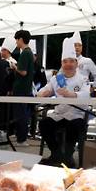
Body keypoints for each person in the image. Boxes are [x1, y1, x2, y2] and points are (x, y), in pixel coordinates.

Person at [38, 38, 90, 167]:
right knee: (44, 124)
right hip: (59, 114)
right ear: (62, 64)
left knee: (75, 127)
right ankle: (56, 154)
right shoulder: (56, 79)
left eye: (71, 61)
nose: (68, 64)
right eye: (65, 62)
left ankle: (68, 156)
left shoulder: (83, 79)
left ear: (76, 63)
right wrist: (42, 93)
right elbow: (45, 90)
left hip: (76, 114)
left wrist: (72, 94)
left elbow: (86, 95)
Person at [11, 30, 35, 146]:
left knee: (20, 114)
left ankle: (21, 139)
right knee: (23, 114)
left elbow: (23, 72)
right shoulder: (29, 52)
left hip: (21, 88)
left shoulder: (25, 53)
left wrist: (14, 67)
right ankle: (22, 137)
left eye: (16, 39)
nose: (16, 42)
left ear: (20, 39)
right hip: (25, 88)